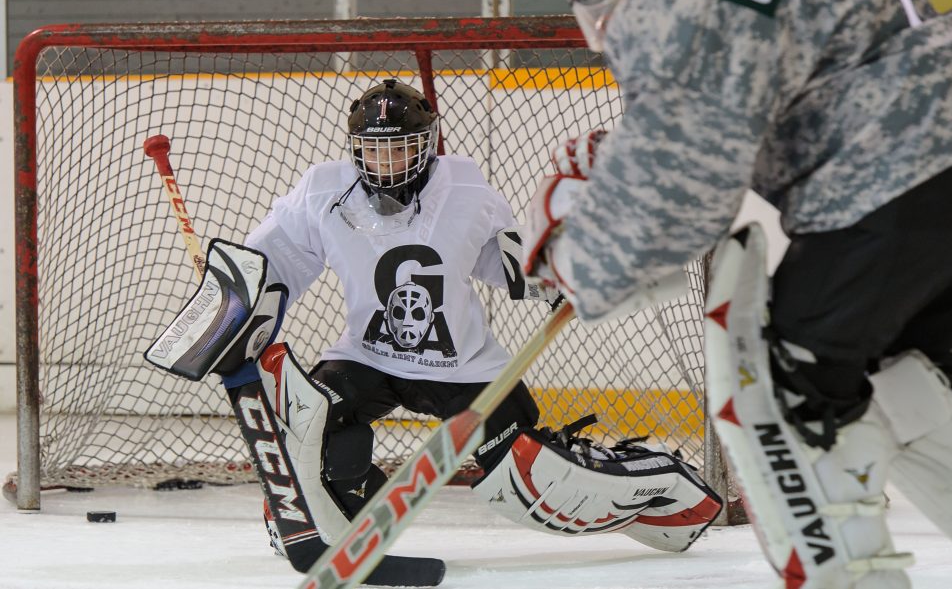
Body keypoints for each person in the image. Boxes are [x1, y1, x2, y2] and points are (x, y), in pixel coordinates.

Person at [523, 0, 952, 588]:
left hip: (899, 180)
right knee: (916, 385)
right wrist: (626, 174)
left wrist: (582, 258)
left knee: (788, 402)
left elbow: (678, 194)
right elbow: (757, 88)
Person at [235, 79, 722, 567]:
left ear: (426, 144)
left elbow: (515, 268)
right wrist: (233, 311)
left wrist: (571, 274)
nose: (387, 164)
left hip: (464, 369)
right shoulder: (322, 190)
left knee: (535, 481)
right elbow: (266, 263)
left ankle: (663, 485)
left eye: (401, 149)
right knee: (307, 420)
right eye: (374, 150)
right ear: (355, 149)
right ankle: (321, 526)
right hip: (367, 356)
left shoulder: (465, 189)